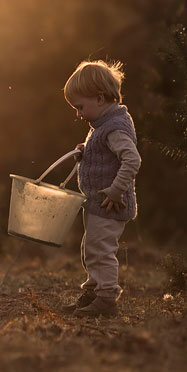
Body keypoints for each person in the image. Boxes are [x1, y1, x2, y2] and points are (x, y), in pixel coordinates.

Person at [61, 60, 141, 318]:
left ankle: (106, 298)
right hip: (97, 204)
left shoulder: (114, 127)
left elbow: (132, 159)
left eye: (80, 107)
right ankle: (93, 292)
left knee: (101, 251)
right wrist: (87, 152)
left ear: (99, 98)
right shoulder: (103, 124)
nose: (78, 114)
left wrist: (117, 190)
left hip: (110, 203)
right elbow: (107, 154)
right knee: (91, 249)